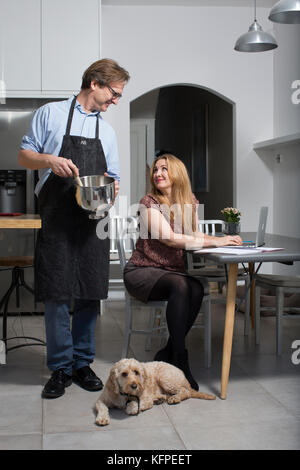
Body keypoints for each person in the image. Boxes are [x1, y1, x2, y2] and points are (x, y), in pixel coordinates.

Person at [18, 58, 130, 399]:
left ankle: (82, 363)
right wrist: (50, 160)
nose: (115, 101)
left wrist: (110, 194)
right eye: (114, 93)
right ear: (95, 83)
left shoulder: (106, 131)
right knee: (55, 294)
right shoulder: (50, 114)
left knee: (88, 293)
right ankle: (60, 368)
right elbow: (24, 156)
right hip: (56, 218)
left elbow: (114, 178)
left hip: (93, 221)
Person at [123, 153, 242, 391]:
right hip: (142, 271)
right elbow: (169, 239)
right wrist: (215, 243)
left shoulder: (189, 202)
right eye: (156, 170)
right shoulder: (148, 203)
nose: (157, 174)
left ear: (177, 173)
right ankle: (181, 361)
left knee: (196, 287)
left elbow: (194, 235)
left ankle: (167, 351)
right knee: (182, 285)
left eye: (164, 169)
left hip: (171, 272)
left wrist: (222, 239)